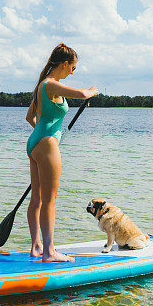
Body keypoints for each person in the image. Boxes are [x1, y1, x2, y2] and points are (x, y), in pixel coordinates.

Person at [26, 43, 98, 262]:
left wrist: (47, 133)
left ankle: (36, 246)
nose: (73, 72)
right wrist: (94, 91)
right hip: (46, 144)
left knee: (36, 199)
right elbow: (84, 94)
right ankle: (49, 252)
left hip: (36, 142)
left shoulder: (42, 85)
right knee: (50, 200)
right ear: (65, 64)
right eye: (73, 67)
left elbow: (31, 118)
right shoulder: (51, 85)